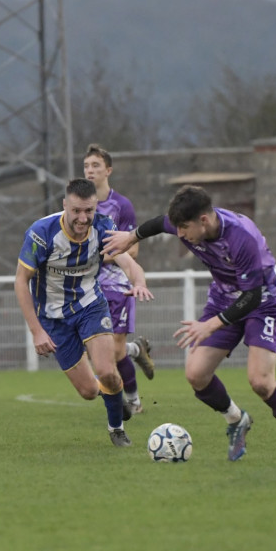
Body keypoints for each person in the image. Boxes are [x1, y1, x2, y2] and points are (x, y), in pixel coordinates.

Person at [103, 185, 276, 461]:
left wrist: (211, 325)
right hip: (223, 298)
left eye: (184, 228)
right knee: (196, 374)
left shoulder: (241, 237)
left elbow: (252, 295)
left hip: (264, 302)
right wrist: (130, 237)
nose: (180, 234)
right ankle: (236, 419)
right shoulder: (185, 223)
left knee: (261, 382)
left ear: (204, 220)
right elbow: (161, 223)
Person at [14, 178, 153, 447]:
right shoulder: (41, 233)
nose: (82, 217)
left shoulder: (103, 226)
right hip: (54, 318)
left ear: (95, 207)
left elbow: (127, 260)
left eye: (88, 211)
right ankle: (114, 397)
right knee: (89, 391)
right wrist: (36, 331)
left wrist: (139, 282)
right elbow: (21, 281)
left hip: (91, 306)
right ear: (65, 205)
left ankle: (117, 429)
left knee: (108, 370)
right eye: (76, 210)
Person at [83, 143, 156, 415]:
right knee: (96, 350)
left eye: (96, 166)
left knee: (113, 351)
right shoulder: (80, 205)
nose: (90, 171)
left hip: (116, 286)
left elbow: (133, 249)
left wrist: (100, 254)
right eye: (87, 166)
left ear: (108, 170)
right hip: (87, 288)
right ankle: (136, 350)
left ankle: (134, 401)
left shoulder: (121, 205)